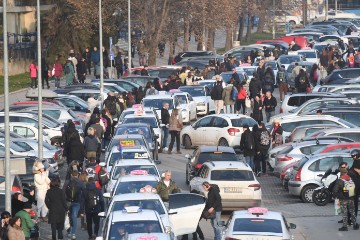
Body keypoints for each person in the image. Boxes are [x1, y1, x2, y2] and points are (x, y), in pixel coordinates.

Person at [333, 166, 359, 231]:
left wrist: (337, 196)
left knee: (345, 213)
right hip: (351, 198)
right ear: (346, 172)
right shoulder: (350, 179)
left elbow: (335, 190)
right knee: (352, 212)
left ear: (341, 173)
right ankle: (355, 225)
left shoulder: (340, 180)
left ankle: (345, 227)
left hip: (343, 199)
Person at [63, 170, 85, 239]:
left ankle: (69, 232)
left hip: (68, 202)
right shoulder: (80, 183)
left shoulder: (67, 182)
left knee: (68, 217)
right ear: (77, 175)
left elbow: (63, 192)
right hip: (77, 202)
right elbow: (84, 194)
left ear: (71, 175)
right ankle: (73, 234)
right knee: (74, 217)